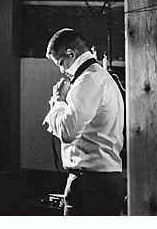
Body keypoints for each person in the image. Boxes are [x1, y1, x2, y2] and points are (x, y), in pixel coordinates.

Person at [42, 28, 125, 215]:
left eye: (61, 63)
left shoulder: (88, 81)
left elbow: (67, 132)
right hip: (107, 181)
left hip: (90, 185)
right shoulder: (103, 77)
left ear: (71, 53)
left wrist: (58, 102)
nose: (62, 70)